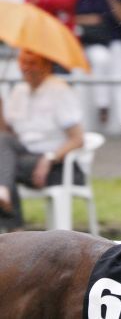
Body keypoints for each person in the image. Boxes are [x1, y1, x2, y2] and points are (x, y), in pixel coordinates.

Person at [0, 50, 84, 231]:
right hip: (23, 158)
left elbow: (77, 139)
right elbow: (7, 134)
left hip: (55, 165)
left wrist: (49, 158)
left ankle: (14, 229)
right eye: (22, 62)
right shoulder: (19, 91)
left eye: (32, 63)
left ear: (46, 66)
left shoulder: (59, 90)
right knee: (4, 149)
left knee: (4, 164)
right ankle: (7, 204)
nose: (25, 68)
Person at [76, 0, 121, 132]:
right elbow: (70, 16)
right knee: (101, 59)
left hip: (113, 38)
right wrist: (88, 19)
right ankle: (103, 105)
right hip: (93, 40)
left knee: (120, 73)